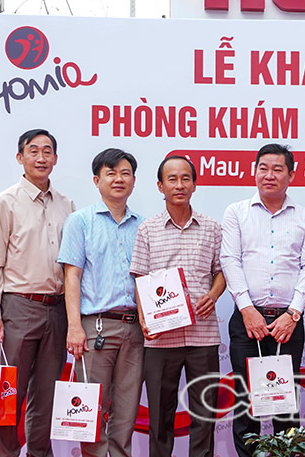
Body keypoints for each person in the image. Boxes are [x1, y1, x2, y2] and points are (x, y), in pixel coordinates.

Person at [220, 143, 305, 457]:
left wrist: (293, 314)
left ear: (291, 175)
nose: (269, 175)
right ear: (254, 171)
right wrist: (247, 309)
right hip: (247, 321)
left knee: (285, 403)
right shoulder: (236, 212)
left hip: (287, 323)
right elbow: (230, 260)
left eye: (278, 169)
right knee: (246, 402)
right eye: (263, 168)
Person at [0, 128, 76, 457]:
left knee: (47, 396)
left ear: (56, 159)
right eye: (33, 151)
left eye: (47, 151)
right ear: (20, 158)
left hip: (57, 309)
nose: (41, 157)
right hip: (18, 308)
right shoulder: (4, 202)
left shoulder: (67, 205)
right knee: (10, 395)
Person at [130, 155, 225, 457]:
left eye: (186, 178)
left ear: (195, 185)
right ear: (161, 186)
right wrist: (144, 319)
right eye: (172, 179)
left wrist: (214, 294)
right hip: (161, 339)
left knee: (204, 416)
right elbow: (140, 278)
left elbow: (222, 272)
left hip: (203, 336)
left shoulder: (212, 227)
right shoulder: (147, 229)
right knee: (160, 417)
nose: (179, 185)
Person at [58, 148, 144, 457]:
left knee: (127, 409)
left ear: (134, 180)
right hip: (95, 328)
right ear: (97, 180)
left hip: (135, 330)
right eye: (111, 173)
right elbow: (72, 276)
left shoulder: (143, 226)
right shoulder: (80, 222)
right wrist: (74, 327)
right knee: (91, 410)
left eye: (125, 173)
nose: (118, 179)